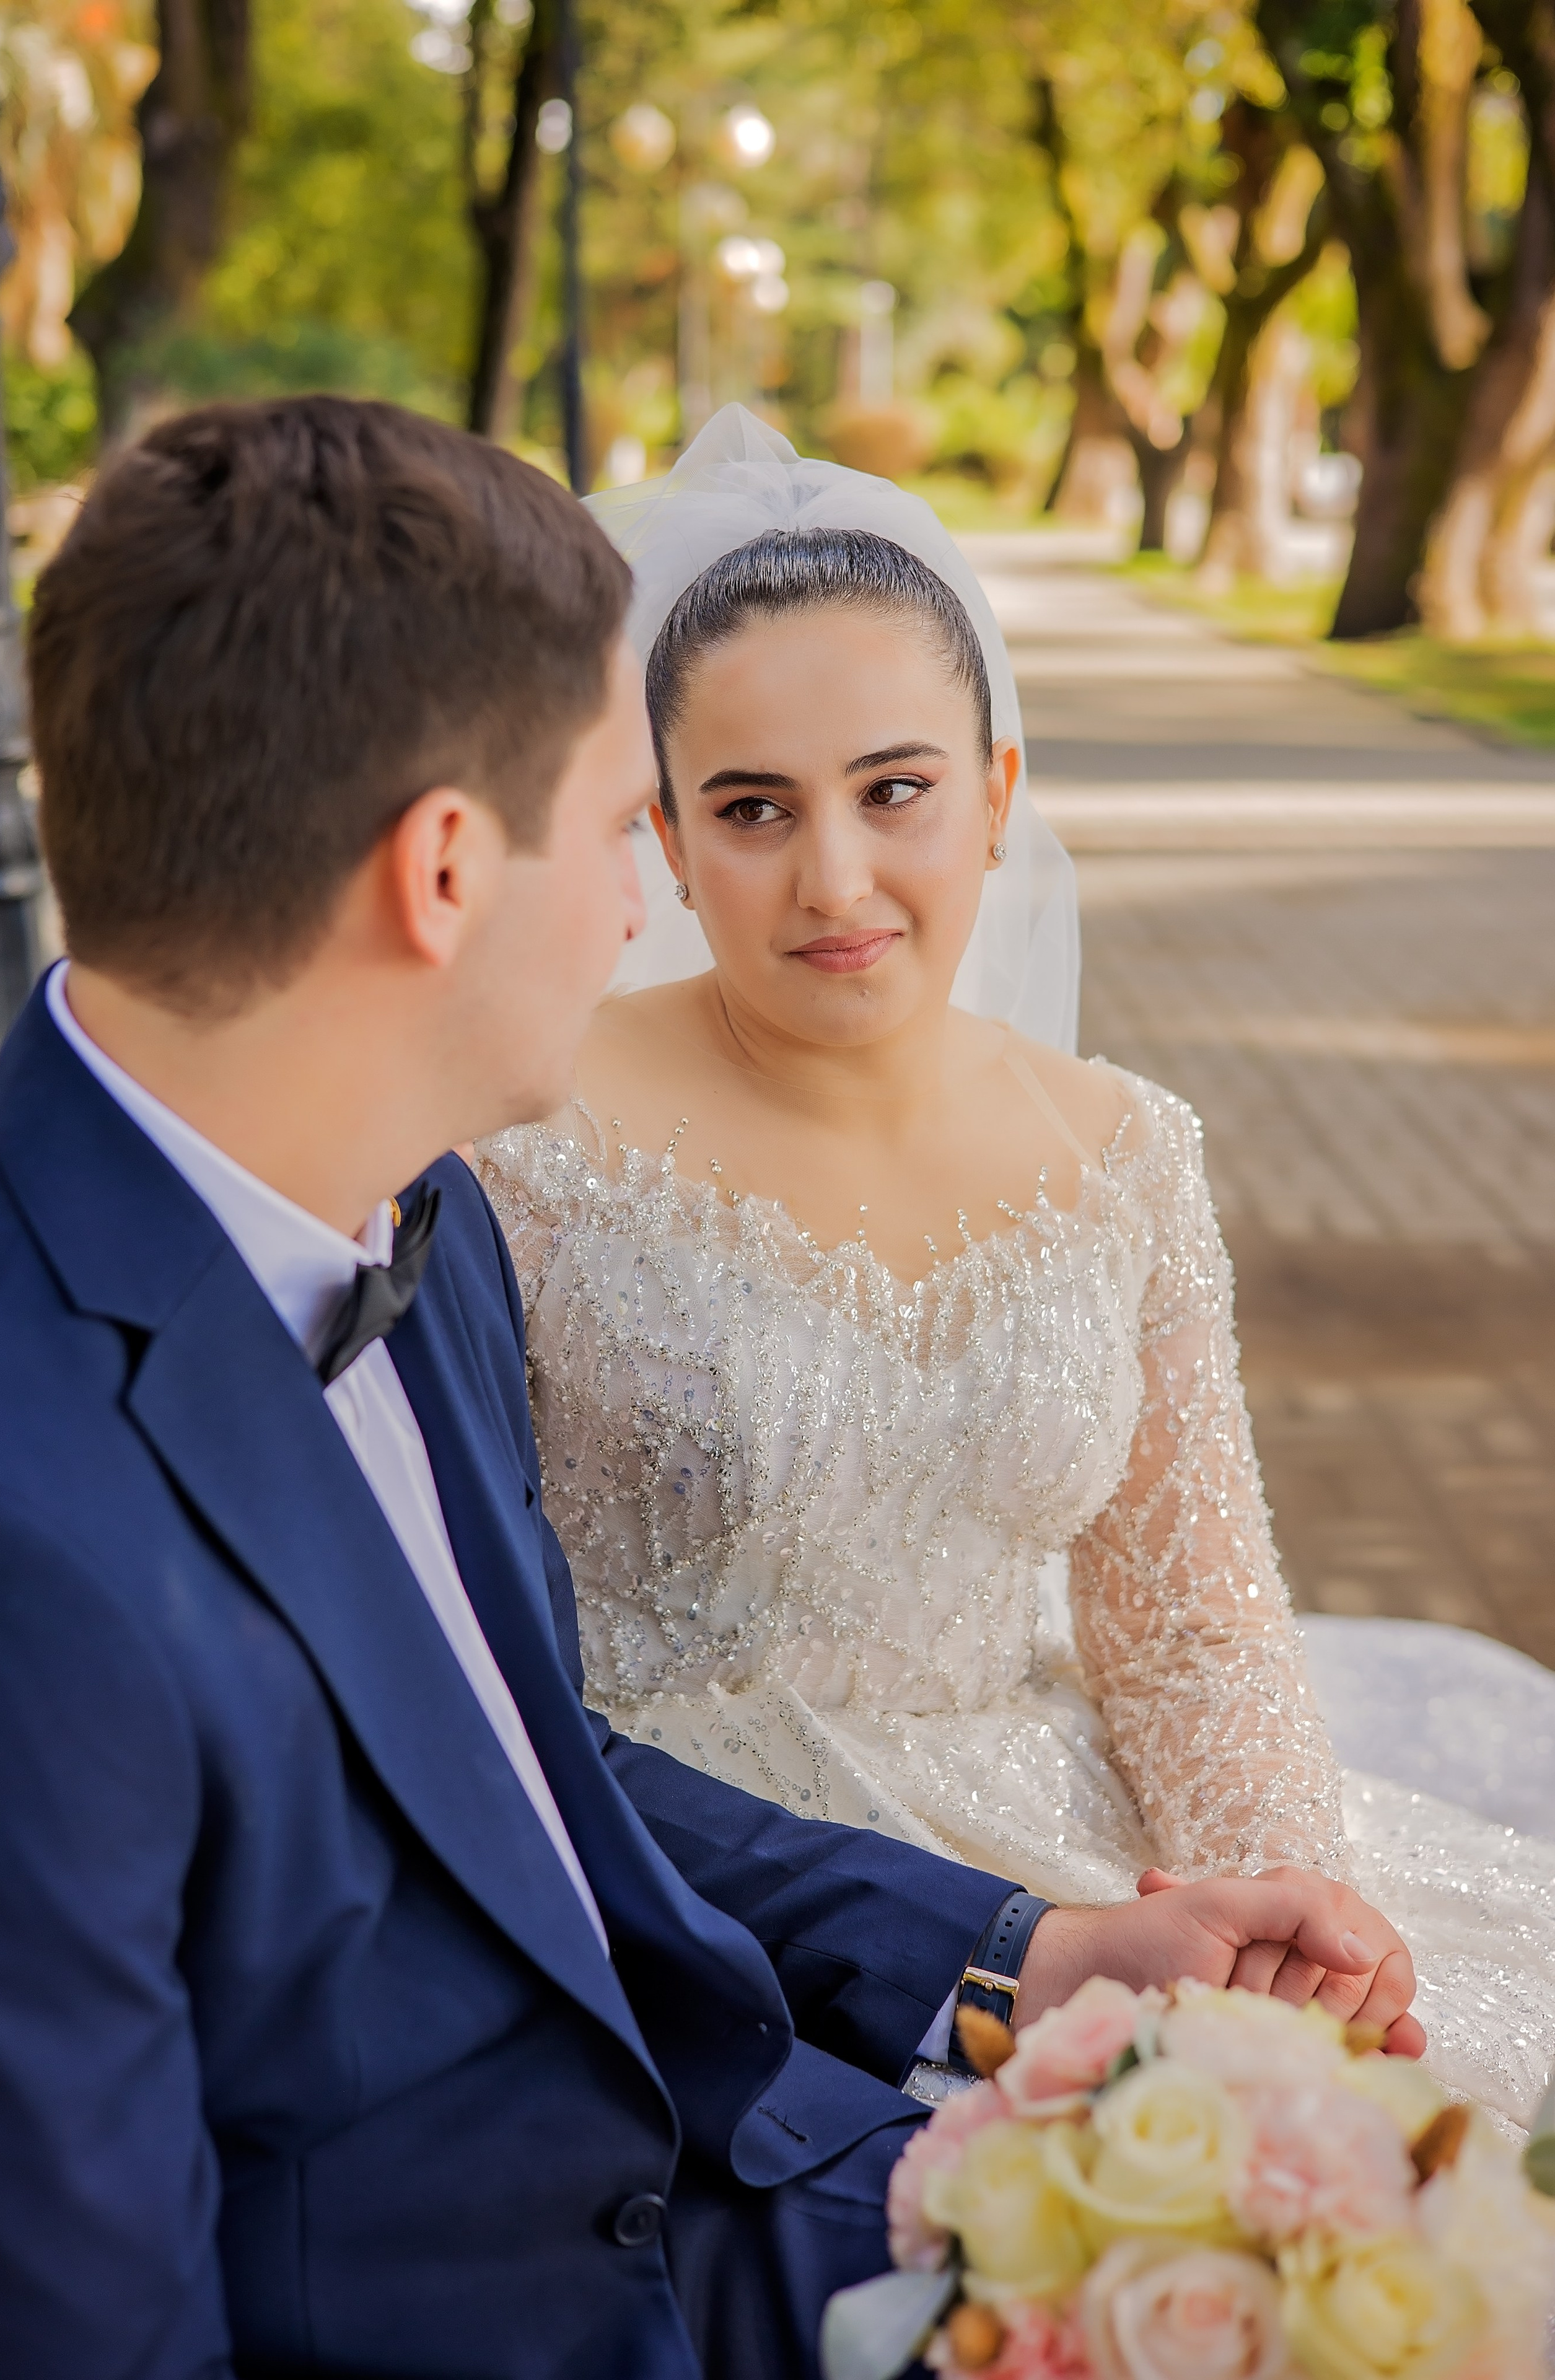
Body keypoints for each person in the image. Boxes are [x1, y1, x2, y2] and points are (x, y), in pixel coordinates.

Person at [0, 396, 1417, 2380]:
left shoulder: (396, 1220)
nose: (646, 905)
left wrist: (1033, 1949)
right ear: (448, 871)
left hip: (756, 2153)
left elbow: (534, 1766)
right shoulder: (23, 1527)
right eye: (624, 825)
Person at [480, 405, 1555, 2135]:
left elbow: (1191, 1629)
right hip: (710, 1890)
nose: (836, 879)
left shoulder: (1123, 1149)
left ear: (995, 797)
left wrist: (1286, 1942)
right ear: (667, 840)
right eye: (754, 810)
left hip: (1078, 1833)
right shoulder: (527, 1138)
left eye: (895, 791)